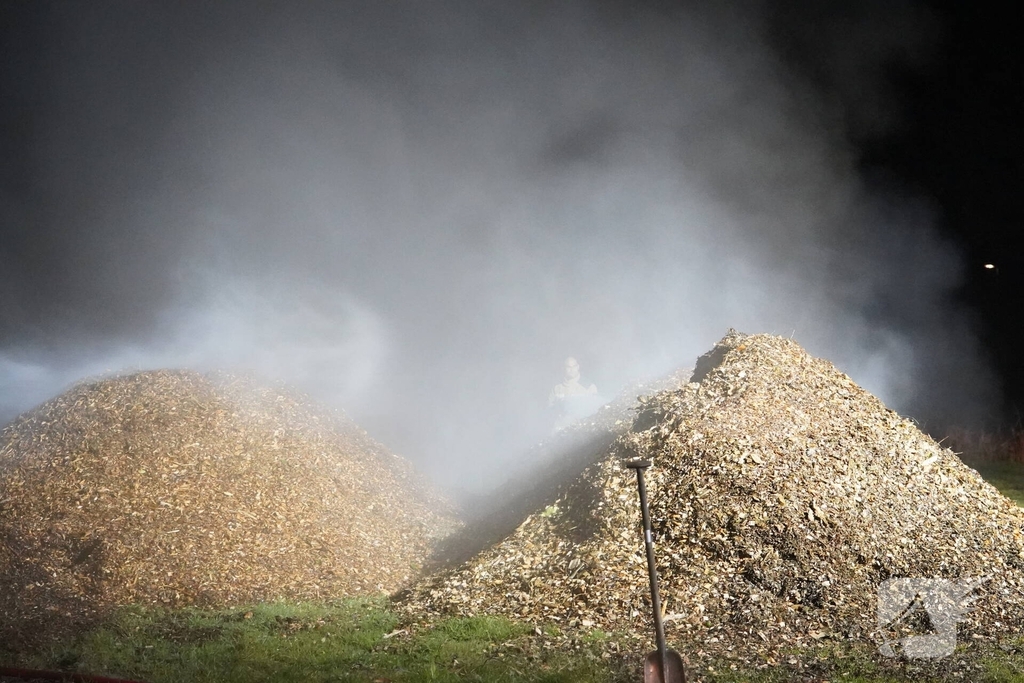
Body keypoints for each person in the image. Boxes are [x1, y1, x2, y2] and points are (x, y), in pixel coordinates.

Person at [548, 357, 601, 430]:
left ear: (578, 367)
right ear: (563, 368)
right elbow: (550, 411)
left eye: (574, 366)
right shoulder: (557, 388)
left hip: (582, 430)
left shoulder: (588, 386)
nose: (571, 370)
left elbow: (596, 410)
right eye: (568, 367)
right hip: (561, 430)